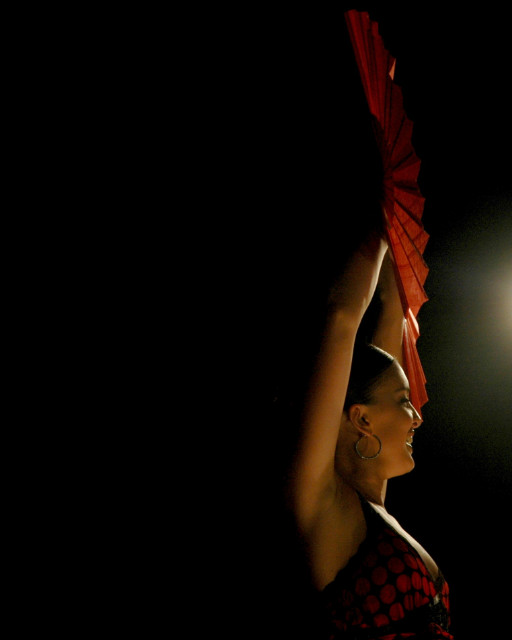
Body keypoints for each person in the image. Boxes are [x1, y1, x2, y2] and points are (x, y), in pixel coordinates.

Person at [290, 230, 454, 639]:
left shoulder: (372, 508)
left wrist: (397, 249)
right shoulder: (323, 506)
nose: (417, 416)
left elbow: (387, 329)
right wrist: (376, 231)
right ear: (361, 419)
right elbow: (343, 318)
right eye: (404, 401)